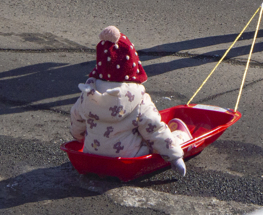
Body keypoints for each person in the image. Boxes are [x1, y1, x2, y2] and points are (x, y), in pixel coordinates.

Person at [69, 26, 192, 176]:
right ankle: (183, 136)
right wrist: (175, 158)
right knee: (164, 137)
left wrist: (80, 138)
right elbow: (155, 130)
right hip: (129, 159)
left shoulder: (87, 94)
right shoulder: (137, 98)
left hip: (92, 154)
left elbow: (76, 121)